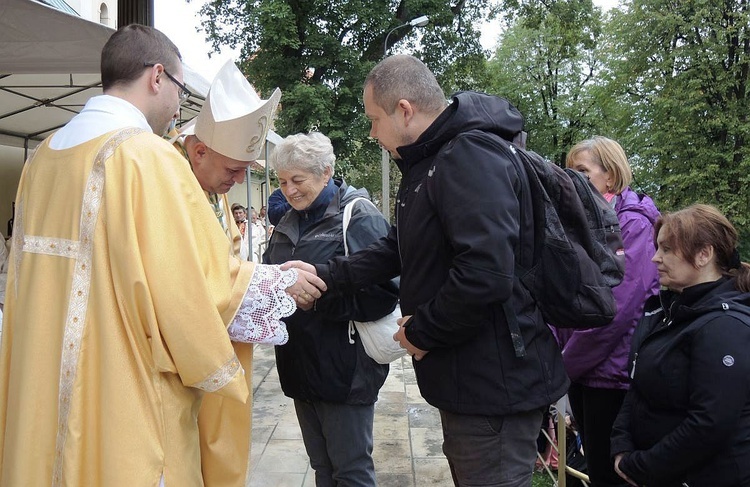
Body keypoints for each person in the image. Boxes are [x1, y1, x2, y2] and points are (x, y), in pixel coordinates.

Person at [0, 24, 324, 486]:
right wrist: (274, 284)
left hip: (42, 390)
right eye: (179, 89)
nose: (178, 106)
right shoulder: (146, 157)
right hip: (121, 397)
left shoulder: (43, 158)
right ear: (157, 77)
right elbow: (187, 288)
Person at [286, 55, 569, 486]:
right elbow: (397, 249)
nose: (371, 132)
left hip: (495, 382)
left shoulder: (468, 157)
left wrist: (422, 332)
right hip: (471, 378)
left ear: (404, 110)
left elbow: (486, 275)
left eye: (374, 119)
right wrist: (324, 275)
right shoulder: (432, 163)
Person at [170, 59, 285, 487]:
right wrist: (256, 283)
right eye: (233, 170)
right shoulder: (167, 180)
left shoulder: (209, 182)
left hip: (221, 339)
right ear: (199, 151)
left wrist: (257, 276)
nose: (238, 181)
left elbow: (224, 257)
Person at [264, 132, 398, 486]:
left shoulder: (358, 216)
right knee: (322, 469)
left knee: (351, 472)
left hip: (345, 369)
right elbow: (268, 274)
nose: (289, 190)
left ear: (325, 173)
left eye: (298, 180)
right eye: (282, 181)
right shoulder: (285, 222)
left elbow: (386, 293)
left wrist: (317, 299)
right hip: (298, 365)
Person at [610, 204, 750, 487]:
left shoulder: (724, 326)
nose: (655, 259)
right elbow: (638, 386)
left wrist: (642, 467)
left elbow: (710, 425)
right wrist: (621, 447)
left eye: (667, 249)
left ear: (703, 255)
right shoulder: (668, 312)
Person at [554, 136, 660, 487]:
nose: (572, 178)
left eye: (582, 171)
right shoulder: (579, 223)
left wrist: (563, 364)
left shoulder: (633, 224)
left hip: (612, 373)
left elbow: (617, 309)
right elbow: (564, 296)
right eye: (569, 171)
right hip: (582, 368)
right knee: (594, 468)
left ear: (610, 177)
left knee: (607, 473)